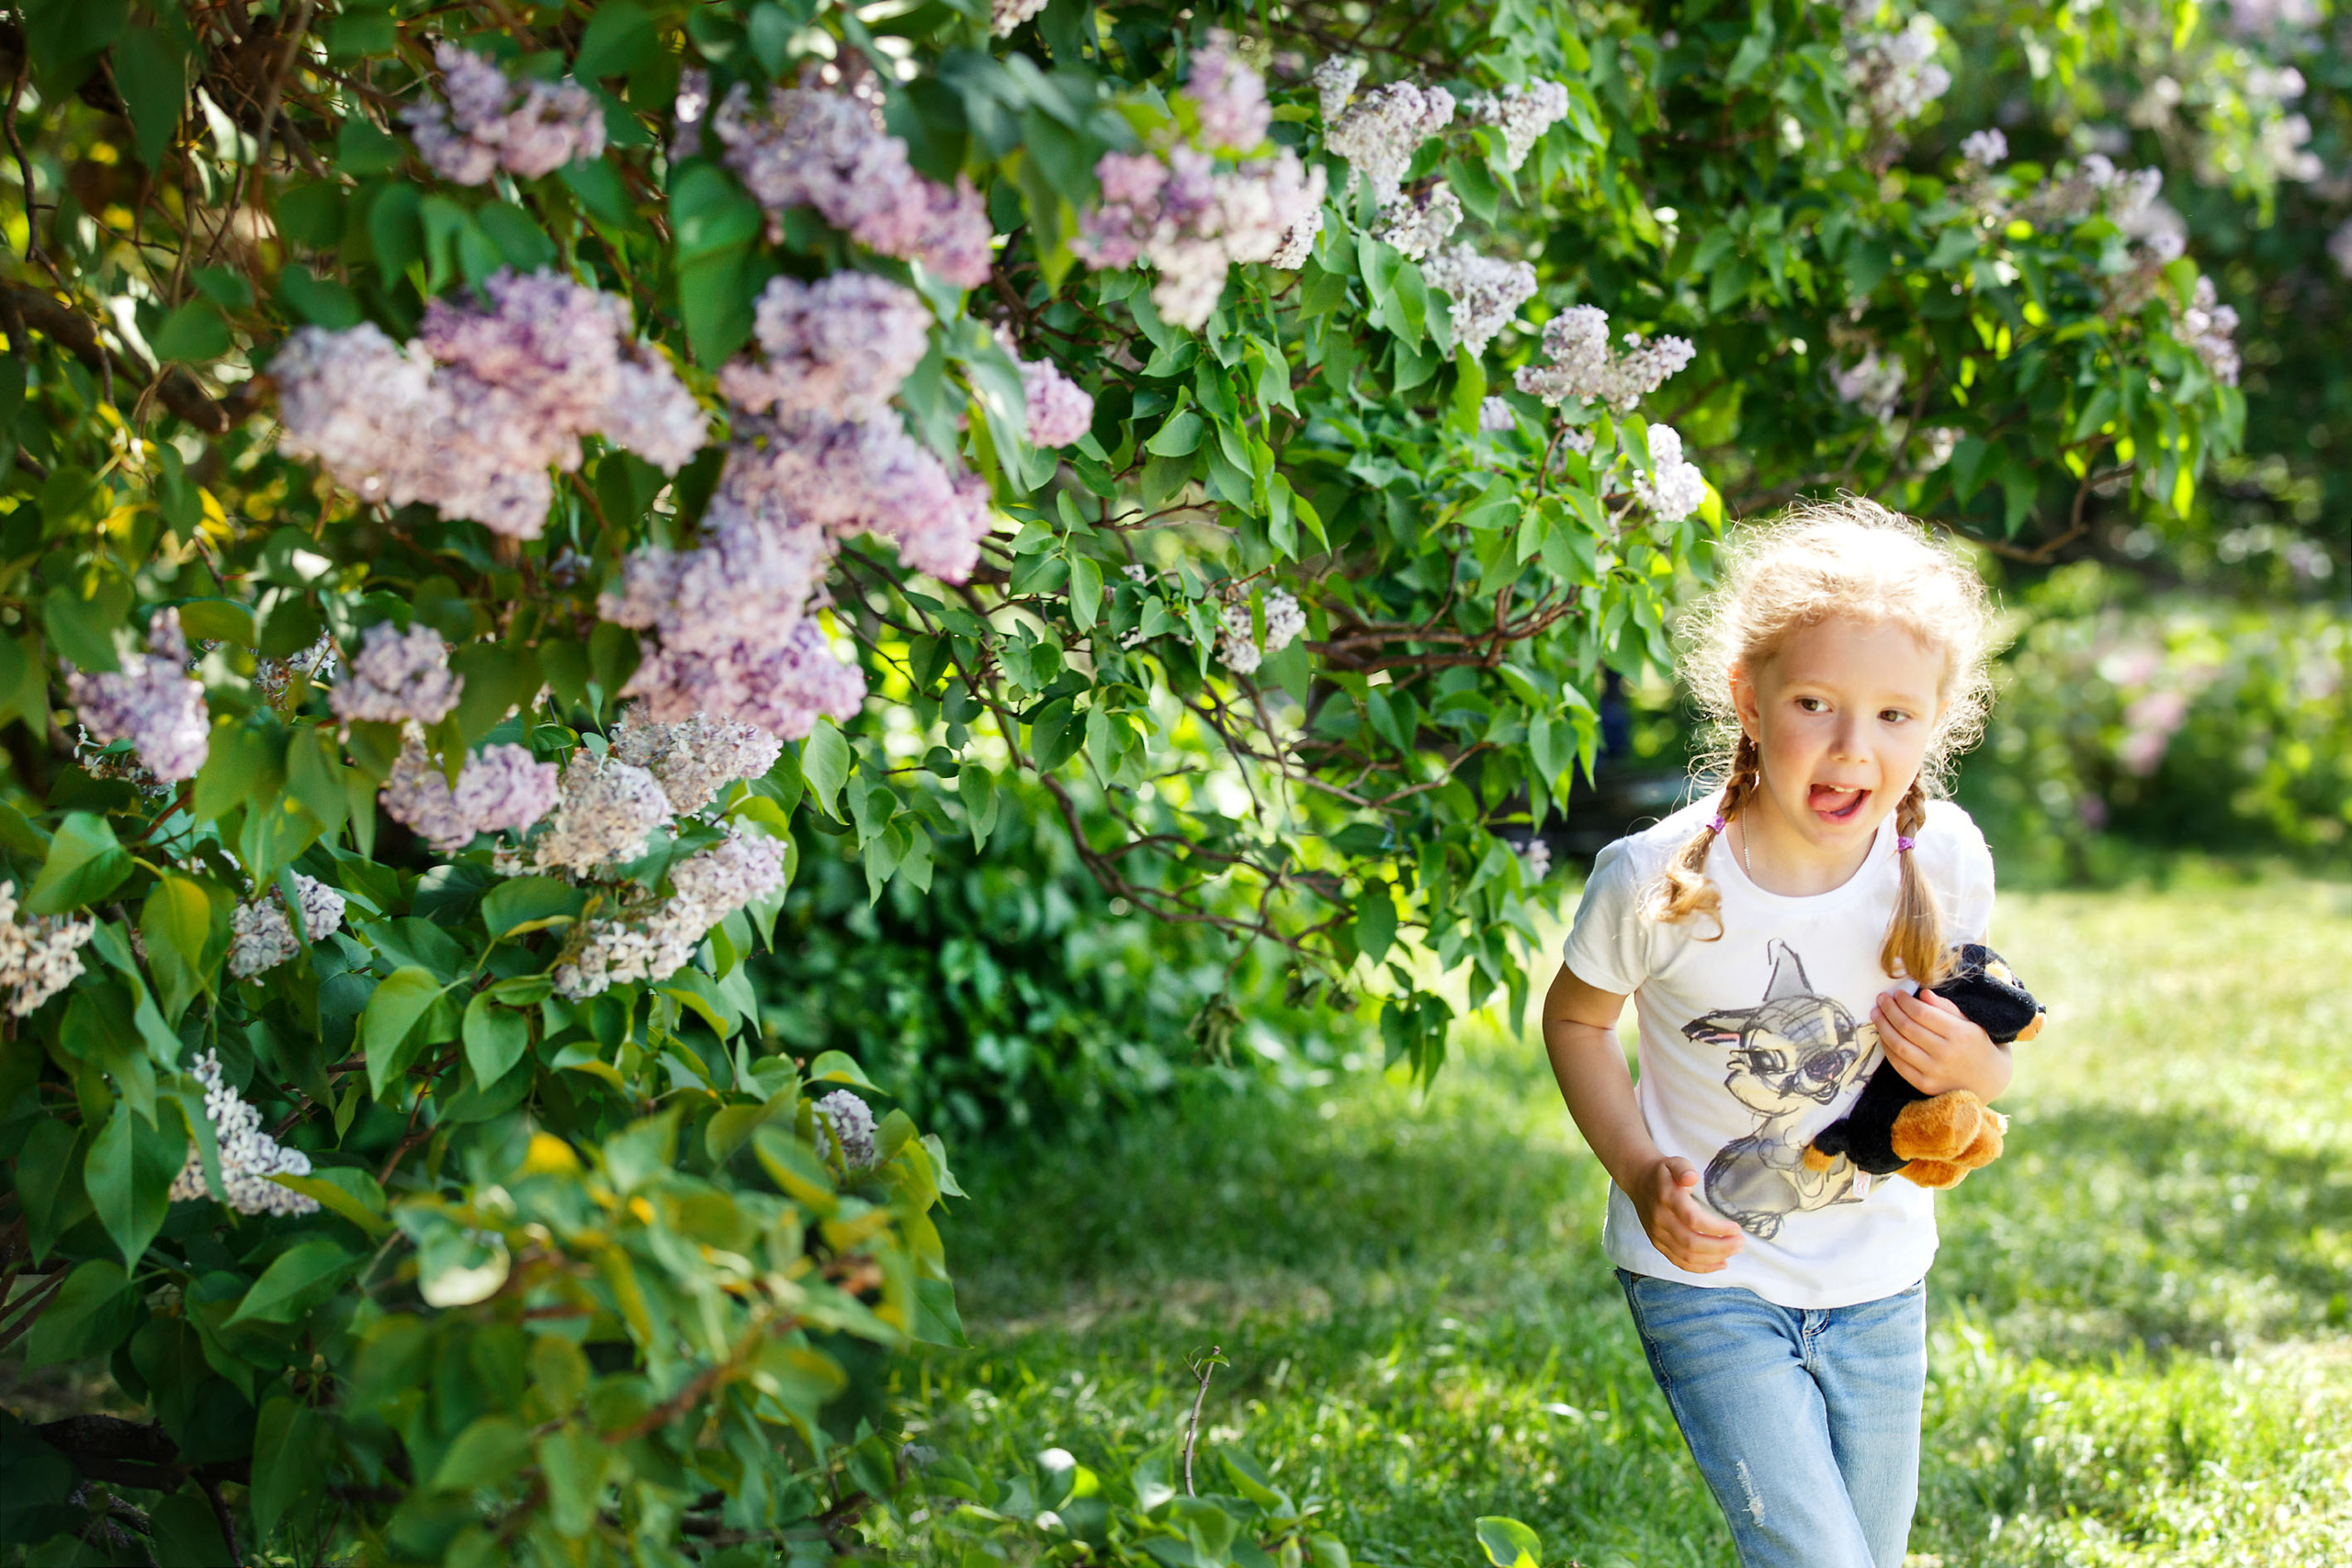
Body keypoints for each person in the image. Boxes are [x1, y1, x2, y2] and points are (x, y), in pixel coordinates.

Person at [1539, 498, 2015, 1568]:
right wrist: (1635, 1168)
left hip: (1880, 1281)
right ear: (1748, 700)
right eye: (1816, 703)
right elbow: (1575, 1020)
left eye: (1895, 715)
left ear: (1938, 720)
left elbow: (1978, 1047)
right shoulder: (1660, 881)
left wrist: (1975, 1067)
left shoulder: (1940, 861)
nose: (1854, 749)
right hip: (1708, 1281)